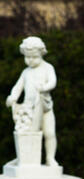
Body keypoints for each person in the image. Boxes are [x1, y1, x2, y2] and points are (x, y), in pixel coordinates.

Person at [6, 36, 59, 167]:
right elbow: (18, 87)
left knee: (50, 133)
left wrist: (44, 87)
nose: (30, 60)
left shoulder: (48, 67)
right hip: (29, 109)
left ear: (41, 54)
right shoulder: (26, 72)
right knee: (26, 134)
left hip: (45, 107)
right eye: (27, 57)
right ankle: (24, 159)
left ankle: (50, 158)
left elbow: (53, 82)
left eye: (34, 57)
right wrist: (12, 97)